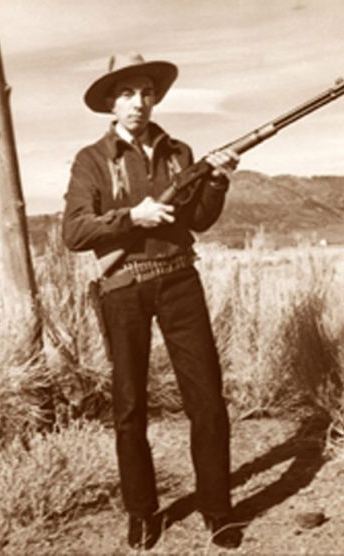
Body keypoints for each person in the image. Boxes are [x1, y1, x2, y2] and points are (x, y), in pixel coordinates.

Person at [62, 52, 241, 550]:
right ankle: (142, 513)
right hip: (123, 288)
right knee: (129, 405)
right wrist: (131, 218)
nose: (137, 102)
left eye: (144, 91)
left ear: (154, 97)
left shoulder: (179, 152)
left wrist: (219, 179)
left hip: (181, 280)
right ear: (110, 104)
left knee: (206, 399)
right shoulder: (91, 160)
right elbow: (74, 231)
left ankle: (218, 510)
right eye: (125, 93)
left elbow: (199, 219)